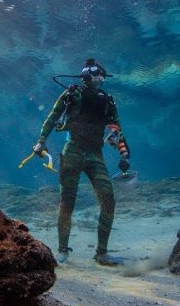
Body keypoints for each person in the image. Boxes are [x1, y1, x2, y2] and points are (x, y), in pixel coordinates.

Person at [33, 58, 130, 266]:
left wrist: (123, 155)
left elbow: (117, 128)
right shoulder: (72, 94)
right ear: (87, 76)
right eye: (98, 74)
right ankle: (62, 251)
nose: (101, 78)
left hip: (95, 154)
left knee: (108, 200)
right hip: (73, 151)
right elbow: (52, 117)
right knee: (67, 202)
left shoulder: (108, 100)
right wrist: (40, 142)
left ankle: (101, 253)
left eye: (103, 75)